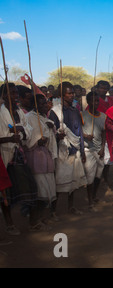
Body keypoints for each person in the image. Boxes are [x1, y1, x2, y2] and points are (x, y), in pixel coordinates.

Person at [0, 83, 46, 234]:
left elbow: (28, 129)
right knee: (6, 192)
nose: (15, 96)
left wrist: (20, 130)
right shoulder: (1, 113)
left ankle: (33, 221)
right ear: (4, 96)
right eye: (11, 93)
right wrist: (9, 139)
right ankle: (10, 225)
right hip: (5, 155)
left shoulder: (19, 111)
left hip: (19, 154)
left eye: (15, 93)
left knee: (31, 187)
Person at [50, 82, 87, 218]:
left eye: (73, 93)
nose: (72, 95)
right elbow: (50, 133)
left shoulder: (75, 110)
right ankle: (53, 211)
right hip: (62, 150)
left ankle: (71, 207)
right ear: (62, 95)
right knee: (60, 182)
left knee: (73, 181)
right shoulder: (55, 112)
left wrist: (82, 150)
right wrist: (57, 136)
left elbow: (80, 132)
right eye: (69, 93)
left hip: (75, 149)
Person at [25, 94, 58, 222]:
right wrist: (36, 142)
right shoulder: (29, 118)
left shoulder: (45, 118)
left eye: (45, 103)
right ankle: (36, 219)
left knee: (48, 185)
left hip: (46, 154)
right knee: (40, 188)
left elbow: (51, 133)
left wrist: (52, 129)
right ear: (35, 105)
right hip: (35, 155)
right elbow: (27, 137)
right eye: (42, 103)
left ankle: (43, 216)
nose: (45, 106)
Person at [82, 92, 106, 211]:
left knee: (98, 176)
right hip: (88, 150)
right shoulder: (83, 115)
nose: (95, 103)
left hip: (99, 150)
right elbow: (78, 131)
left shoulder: (103, 116)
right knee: (90, 177)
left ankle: (94, 195)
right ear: (88, 102)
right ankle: (90, 201)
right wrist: (85, 135)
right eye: (92, 101)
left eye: (97, 101)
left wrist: (102, 148)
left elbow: (104, 133)